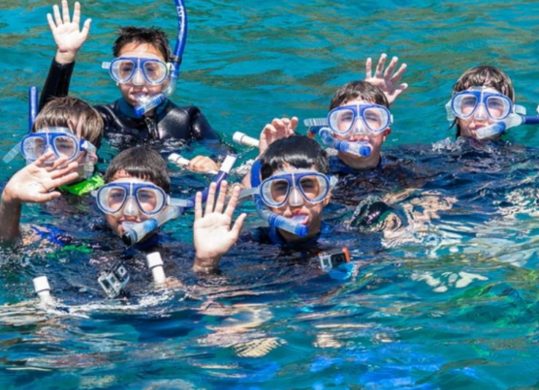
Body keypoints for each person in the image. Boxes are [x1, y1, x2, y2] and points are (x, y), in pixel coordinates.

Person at [40, 0, 221, 173]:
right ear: (115, 75)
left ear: (168, 75)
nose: (138, 81)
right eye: (126, 70)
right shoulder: (102, 118)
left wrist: (212, 163)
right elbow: (48, 122)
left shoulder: (187, 118)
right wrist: (65, 56)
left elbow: (226, 154)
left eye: (151, 70)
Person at [193, 136, 343, 275]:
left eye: (307, 184)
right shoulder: (244, 246)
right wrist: (205, 262)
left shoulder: (350, 239)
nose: (295, 201)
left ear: (326, 193)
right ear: (265, 197)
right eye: (282, 187)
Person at [0, 96, 103, 243]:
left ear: (90, 157)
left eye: (64, 145)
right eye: (40, 144)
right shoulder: (17, 184)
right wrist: (9, 199)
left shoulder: (102, 198)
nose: (48, 154)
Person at [446, 65, 519, 141]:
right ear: (455, 112)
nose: (480, 117)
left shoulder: (520, 153)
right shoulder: (437, 151)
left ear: (509, 116)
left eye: (494, 103)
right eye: (470, 101)